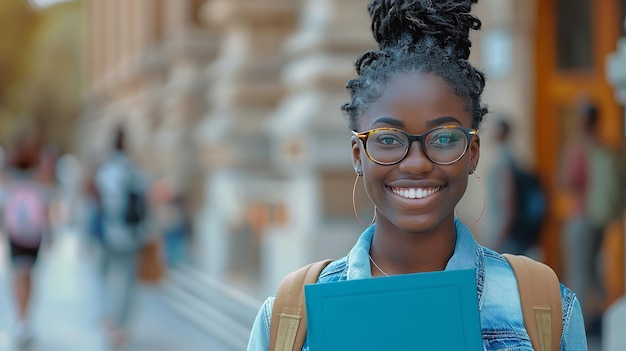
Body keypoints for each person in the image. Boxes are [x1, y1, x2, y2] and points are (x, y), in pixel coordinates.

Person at [247, 0, 586, 350]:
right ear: (358, 155)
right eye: (389, 140)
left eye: (443, 138)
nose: (416, 163)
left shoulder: (543, 308)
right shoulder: (289, 320)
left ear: (472, 153)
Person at [560, 99, 624, 336]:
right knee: (594, 267)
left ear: (582, 120)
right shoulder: (604, 145)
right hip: (599, 218)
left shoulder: (578, 147)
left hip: (580, 216)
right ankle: (609, 311)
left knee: (579, 272)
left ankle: (580, 325)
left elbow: (568, 180)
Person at [94, 126, 149, 348]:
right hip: (130, 235)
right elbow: (143, 201)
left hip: (107, 233)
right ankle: (121, 324)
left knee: (106, 278)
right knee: (127, 281)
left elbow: (97, 203)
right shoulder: (132, 170)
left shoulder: (104, 170)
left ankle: (109, 319)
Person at [0, 134, 53, 347]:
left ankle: (21, 319)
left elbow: (3, 207)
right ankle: (26, 318)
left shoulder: (7, 178)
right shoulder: (41, 177)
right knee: (28, 274)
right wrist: (50, 233)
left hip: (15, 233)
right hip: (33, 234)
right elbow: (47, 206)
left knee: (18, 275)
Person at [485, 118, 546, 256]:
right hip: (513, 236)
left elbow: (508, 203)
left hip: (507, 238)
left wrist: (496, 242)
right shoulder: (515, 159)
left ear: (500, 133)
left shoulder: (503, 162)